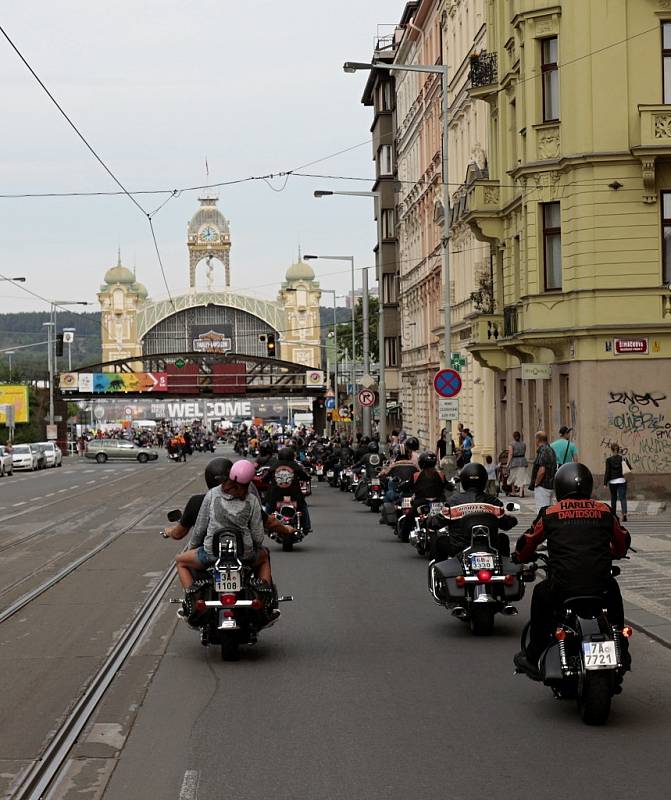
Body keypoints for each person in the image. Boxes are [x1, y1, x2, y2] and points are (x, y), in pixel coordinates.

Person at [513, 463, 631, 676]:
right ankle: (622, 647)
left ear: (559, 487)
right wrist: (613, 552)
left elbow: (527, 542)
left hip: (562, 585)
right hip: (600, 585)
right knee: (614, 595)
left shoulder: (550, 513)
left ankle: (534, 653)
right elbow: (622, 541)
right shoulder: (604, 510)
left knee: (540, 594)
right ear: (588, 485)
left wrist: (520, 557)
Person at [176, 461, 274, 616]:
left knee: (180, 561)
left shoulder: (212, 494)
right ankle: (264, 595)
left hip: (211, 554)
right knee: (264, 557)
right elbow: (258, 537)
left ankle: (192, 597)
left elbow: (200, 528)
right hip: (244, 554)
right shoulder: (252, 500)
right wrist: (255, 546)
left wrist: (192, 547)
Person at [434, 462, 517, 558]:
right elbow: (505, 525)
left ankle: (439, 571)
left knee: (440, 540)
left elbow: (437, 523)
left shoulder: (452, 502)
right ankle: (504, 569)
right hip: (490, 547)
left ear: (463, 480)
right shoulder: (494, 502)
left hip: (459, 548)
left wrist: (428, 521)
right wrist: (512, 519)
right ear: (484, 480)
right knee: (503, 538)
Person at [265, 447, 312, 532]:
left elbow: (265, 478)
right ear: (291, 456)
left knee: (268, 507)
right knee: (303, 507)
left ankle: (264, 526)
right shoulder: (295, 465)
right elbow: (305, 476)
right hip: (294, 496)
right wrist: (307, 477)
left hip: (276, 496)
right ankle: (306, 526)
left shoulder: (275, 465)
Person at [530, 431, 557, 511]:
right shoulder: (551, 449)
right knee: (548, 511)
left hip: (543, 486)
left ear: (538, 440)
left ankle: (542, 523)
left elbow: (542, 470)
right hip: (550, 484)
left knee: (541, 511)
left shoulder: (543, 450)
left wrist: (536, 483)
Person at [604, 443, 631, 522]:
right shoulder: (623, 458)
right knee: (623, 498)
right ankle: (624, 514)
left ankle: (614, 515)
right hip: (622, 480)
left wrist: (605, 483)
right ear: (619, 450)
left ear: (612, 450)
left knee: (613, 498)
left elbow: (607, 472)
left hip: (612, 481)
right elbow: (629, 468)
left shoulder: (608, 460)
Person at [506, 431, 528, 497]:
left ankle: (513, 492)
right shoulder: (524, 444)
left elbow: (510, 454)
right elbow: (524, 452)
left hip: (514, 462)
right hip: (523, 461)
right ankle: (521, 493)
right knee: (522, 477)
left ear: (513, 437)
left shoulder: (511, 444)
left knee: (513, 477)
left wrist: (508, 463)